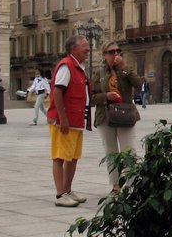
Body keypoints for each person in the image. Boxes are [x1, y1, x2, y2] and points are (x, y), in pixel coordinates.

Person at [91, 41, 143, 193]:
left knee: (129, 150)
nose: (115, 54)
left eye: (118, 51)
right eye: (111, 52)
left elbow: (138, 83)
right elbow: (93, 97)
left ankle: (131, 183)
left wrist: (124, 67)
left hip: (125, 114)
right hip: (105, 116)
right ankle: (116, 185)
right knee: (111, 151)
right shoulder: (99, 73)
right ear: (104, 55)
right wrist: (106, 96)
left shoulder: (126, 69)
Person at [47, 35, 92, 207]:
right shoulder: (67, 66)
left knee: (73, 157)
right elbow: (58, 92)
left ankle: (67, 189)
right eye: (84, 46)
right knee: (60, 156)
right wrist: (63, 118)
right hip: (64, 121)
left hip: (76, 119)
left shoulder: (78, 67)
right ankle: (60, 194)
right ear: (73, 49)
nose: (88, 49)